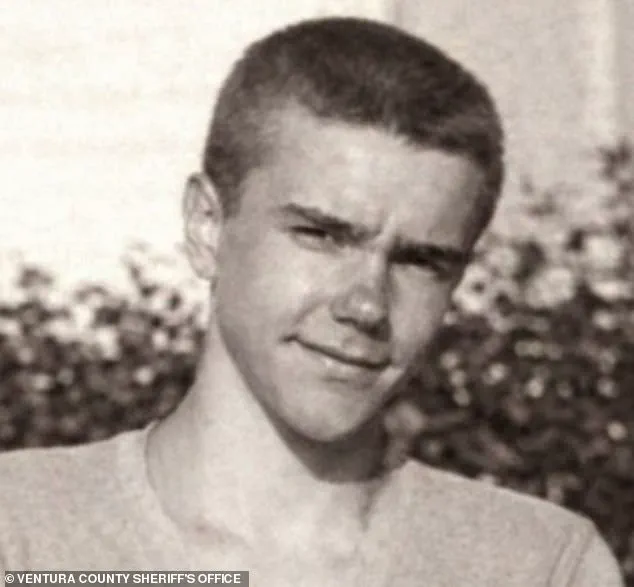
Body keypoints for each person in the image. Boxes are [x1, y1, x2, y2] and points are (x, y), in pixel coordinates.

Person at [0, 17, 624, 586]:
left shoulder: (538, 567)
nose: (367, 305)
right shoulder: (24, 538)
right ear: (207, 227)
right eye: (322, 236)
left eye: (420, 261)